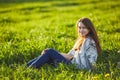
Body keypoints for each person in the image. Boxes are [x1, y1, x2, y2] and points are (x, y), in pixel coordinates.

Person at [27, 17, 101, 70]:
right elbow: (70, 56)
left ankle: (29, 69)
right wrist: (56, 54)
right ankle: (26, 66)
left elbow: (92, 58)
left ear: (89, 29)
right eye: (79, 27)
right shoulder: (81, 40)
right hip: (71, 64)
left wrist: (94, 71)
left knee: (50, 51)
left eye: (84, 28)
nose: (81, 30)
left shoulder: (89, 41)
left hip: (77, 68)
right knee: (48, 53)